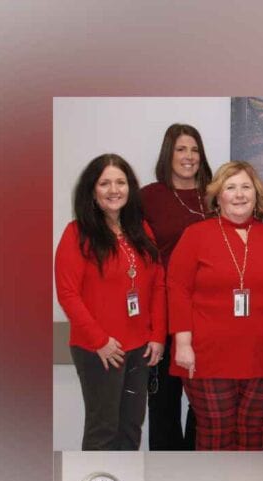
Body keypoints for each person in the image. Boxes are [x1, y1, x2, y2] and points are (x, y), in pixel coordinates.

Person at [167, 161, 263, 450]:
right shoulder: (195, 235)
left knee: (255, 433)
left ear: (257, 195)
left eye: (246, 187)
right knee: (215, 433)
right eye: (230, 187)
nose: (239, 194)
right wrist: (182, 343)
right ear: (217, 196)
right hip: (207, 355)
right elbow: (177, 290)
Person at [55, 154, 166, 450]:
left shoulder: (141, 230)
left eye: (120, 182)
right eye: (105, 183)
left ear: (130, 188)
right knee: (103, 429)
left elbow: (157, 284)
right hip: (100, 349)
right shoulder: (77, 233)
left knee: (131, 428)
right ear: (92, 190)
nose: (114, 189)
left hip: (139, 349)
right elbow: (67, 293)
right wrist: (99, 341)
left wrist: (156, 335)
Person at [141, 123, 213, 450]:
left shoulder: (216, 194)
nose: (188, 156)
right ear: (168, 154)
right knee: (163, 407)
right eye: (181, 149)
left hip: (210, 318)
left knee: (206, 410)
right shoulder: (148, 197)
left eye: (194, 149)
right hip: (165, 318)